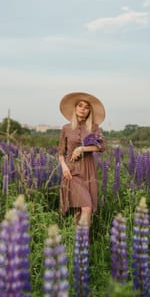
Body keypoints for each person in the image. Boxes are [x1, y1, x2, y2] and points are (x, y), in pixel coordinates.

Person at [58, 91, 106, 227]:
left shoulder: (94, 128)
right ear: (75, 108)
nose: (83, 109)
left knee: (82, 209)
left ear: (89, 111)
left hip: (88, 171)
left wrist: (82, 148)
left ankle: (77, 241)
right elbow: (61, 152)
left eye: (86, 107)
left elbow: (102, 146)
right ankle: (82, 242)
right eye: (80, 105)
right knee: (86, 207)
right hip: (71, 171)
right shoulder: (66, 128)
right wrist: (64, 166)